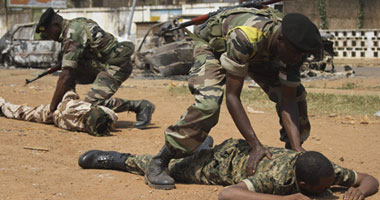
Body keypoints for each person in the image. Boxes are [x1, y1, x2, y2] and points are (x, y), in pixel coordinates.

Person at [145, 7, 323, 189]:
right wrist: (255, 145)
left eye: (303, 53)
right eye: (297, 53)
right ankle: (160, 161)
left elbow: (288, 100)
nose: (299, 57)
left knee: (298, 97)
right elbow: (232, 96)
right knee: (209, 104)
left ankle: (290, 157)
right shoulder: (246, 36)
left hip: (260, 55)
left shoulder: (294, 49)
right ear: (281, 39)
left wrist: (296, 147)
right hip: (213, 48)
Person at [78, 137, 379, 200]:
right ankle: (118, 158)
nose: (330, 188)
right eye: (322, 189)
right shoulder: (274, 178)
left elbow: (370, 179)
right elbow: (228, 195)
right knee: (172, 168)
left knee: (195, 153)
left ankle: (200, 144)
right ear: (300, 183)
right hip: (220, 164)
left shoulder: (321, 168)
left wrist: (359, 192)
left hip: (245, 154)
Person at [35, 8, 154, 129]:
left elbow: (66, 76)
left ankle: (140, 106)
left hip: (117, 65)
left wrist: (52, 109)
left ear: (56, 24)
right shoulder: (77, 22)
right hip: (104, 63)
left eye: (49, 33)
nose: (50, 37)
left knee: (92, 103)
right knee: (70, 71)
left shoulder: (72, 34)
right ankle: (67, 104)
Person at [0, 91, 118, 136]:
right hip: (54, 113)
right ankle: (2, 106)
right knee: (23, 113)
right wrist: (52, 112)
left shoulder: (109, 116)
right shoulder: (71, 109)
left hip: (60, 118)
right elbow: (67, 98)